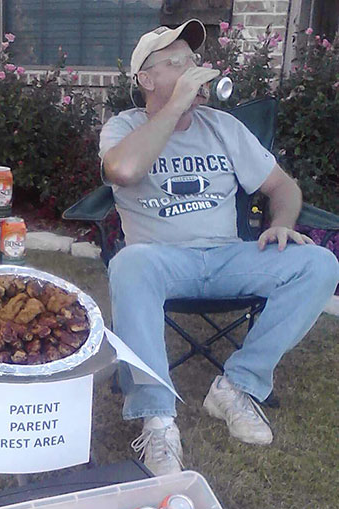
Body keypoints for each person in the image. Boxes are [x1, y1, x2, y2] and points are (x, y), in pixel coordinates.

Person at [99, 19, 339, 475]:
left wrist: (282, 224)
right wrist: (174, 109)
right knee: (129, 265)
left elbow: (282, 186)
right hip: (160, 260)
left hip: (227, 256)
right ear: (146, 81)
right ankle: (157, 420)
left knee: (319, 264)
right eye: (177, 64)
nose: (194, 70)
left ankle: (236, 385)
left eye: (194, 61)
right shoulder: (122, 127)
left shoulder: (224, 127)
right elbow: (124, 171)